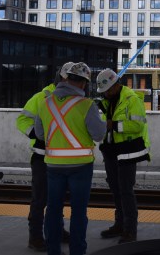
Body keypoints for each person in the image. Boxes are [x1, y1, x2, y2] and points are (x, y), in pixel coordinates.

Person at [35, 62, 106, 255]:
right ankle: (77, 251)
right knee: (78, 213)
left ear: (66, 79)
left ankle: (53, 250)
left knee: (53, 210)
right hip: (81, 167)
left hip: (53, 166)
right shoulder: (87, 105)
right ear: (84, 83)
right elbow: (99, 135)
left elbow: (40, 135)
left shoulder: (45, 103)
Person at [16, 61, 74, 251]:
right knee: (40, 199)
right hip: (42, 157)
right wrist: (35, 135)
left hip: (60, 158)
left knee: (56, 199)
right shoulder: (42, 97)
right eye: (69, 78)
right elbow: (23, 119)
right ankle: (35, 237)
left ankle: (57, 230)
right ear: (61, 78)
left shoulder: (72, 99)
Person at [95, 68, 151, 244]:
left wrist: (114, 125)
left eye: (106, 91)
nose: (104, 94)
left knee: (125, 191)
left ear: (114, 86)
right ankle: (120, 224)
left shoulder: (131, 99)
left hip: (128, 150)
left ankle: (129, 230)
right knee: (115, 189)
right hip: (112, 150)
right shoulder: (109, 100)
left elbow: (137, 126)